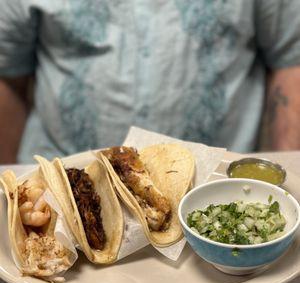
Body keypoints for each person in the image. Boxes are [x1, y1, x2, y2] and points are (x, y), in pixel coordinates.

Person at [0, 0, 300, 164]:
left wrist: (288, 186)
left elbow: (291, 61)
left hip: (215, 200)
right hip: (57, 193)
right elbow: (8, 73)